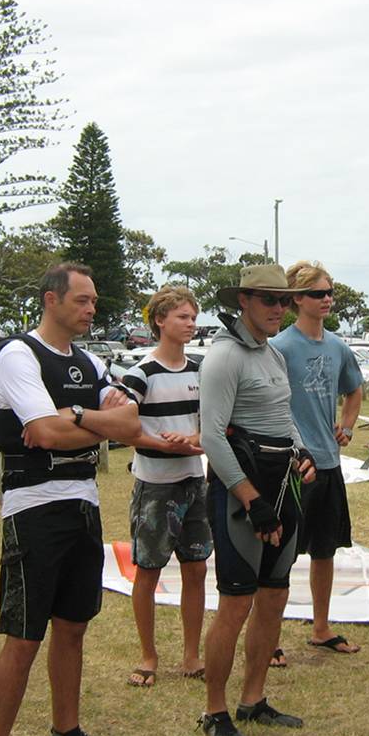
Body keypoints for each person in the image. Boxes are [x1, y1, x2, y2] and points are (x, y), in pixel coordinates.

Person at [0, 263, 140, 736]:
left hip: (83, 505)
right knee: (24, 637)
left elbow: (131, 424)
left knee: (73, 627)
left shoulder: (89, 362)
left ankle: (66, 732)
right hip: (33, 509)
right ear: (51, 300)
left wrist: (75, 415)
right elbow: (42, 434)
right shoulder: (17, 354)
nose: (92, 309)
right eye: (82, 300)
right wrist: (90, 423)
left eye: (94, 301)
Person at [198, 264, 316, 736]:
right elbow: (211, 436)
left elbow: (283, 415)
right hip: (240, 493)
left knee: (274, 597)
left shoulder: (273, 353)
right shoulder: (224, 357)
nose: (278, 308)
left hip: (282, 486)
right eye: (269, 299)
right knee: (236, 603)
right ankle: (214, 711)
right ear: (243, 300)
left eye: (284, 300)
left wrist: (302, 451)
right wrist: (251, 500)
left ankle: (253, 698)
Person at [118, 286, 210, 687]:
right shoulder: (141, 373)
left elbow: (211, 425)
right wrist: (163, 444)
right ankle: (148, 656)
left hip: (193, 482)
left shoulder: (201, 370)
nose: (191, 324)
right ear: (159, 320)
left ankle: (191, 654)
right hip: (154, 486)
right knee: (148, 572)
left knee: (197, 568)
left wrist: (192, 440)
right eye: (182, 317)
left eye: (193, 317)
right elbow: (123, 429)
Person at [271, 261, 364, 655]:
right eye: (317, 293)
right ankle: (269, 639)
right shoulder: (279, 347)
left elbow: (355, 389)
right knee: (281, 555)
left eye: (329, 292)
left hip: (328, 463)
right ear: (296, 299)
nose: (326, 299)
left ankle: (321, 627)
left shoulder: (338, 346)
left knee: (325, 551)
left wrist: (348, 426)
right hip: (293, 466)